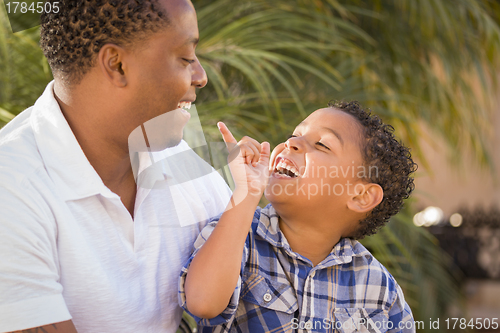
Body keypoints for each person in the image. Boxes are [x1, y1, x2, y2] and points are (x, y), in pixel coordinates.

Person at [0, 0, 232, 332]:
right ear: (117, 64)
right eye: (185, 58)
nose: (200, 76)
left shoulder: (179, 163)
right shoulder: (11, 188)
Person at [179, 101, 418, 332]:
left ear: (360, 196)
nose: (291, 142)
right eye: (295, 134)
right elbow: (202, 302)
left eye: (323, 144)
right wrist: (247, 193)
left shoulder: (380, 291)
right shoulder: (238, 236)